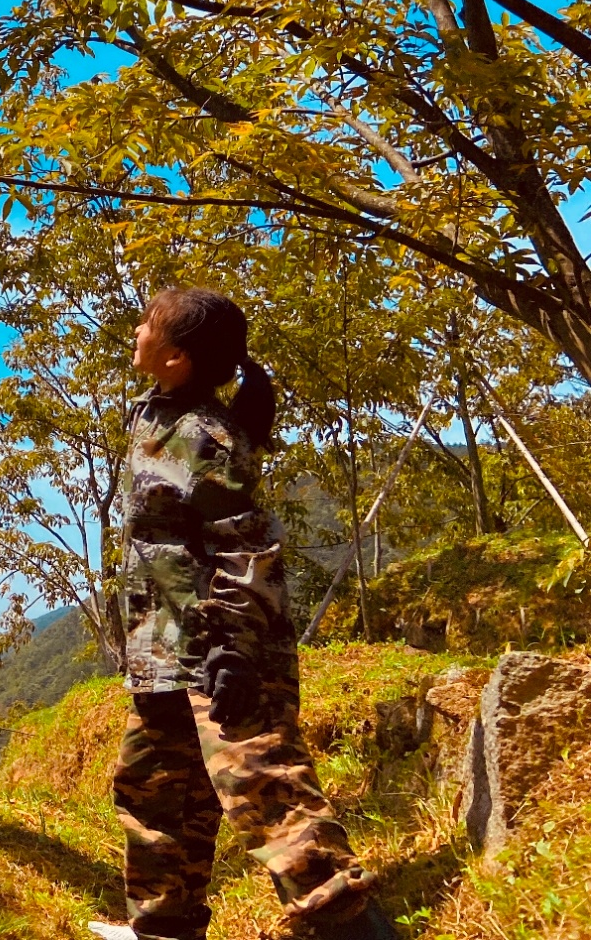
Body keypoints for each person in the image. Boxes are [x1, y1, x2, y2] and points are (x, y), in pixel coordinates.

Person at [110, 287, 395, 940]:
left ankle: (355, 929)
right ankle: (163, 928)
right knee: (155, 793)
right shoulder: (156, 413)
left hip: (222, 652)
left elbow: (244, 547)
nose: (136, 330)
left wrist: (233, 648)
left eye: (147, 326)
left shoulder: (208, 437)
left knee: (269, 795)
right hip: (164, 647)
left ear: (176, 356)